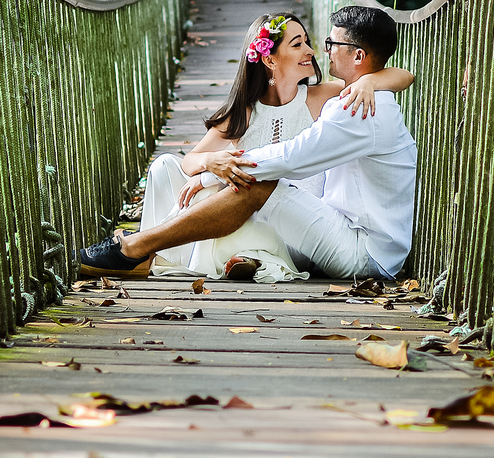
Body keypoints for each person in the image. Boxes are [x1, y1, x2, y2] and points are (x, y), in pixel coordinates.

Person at [80, 6, 417, 284]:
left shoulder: (360, 109)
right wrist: (210, 165)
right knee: (253, 181)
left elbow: (293, 157)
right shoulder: (355, 99)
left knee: (263, 182)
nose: (321, 50)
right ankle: (149, 248)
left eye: (331, 42)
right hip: (345, 231)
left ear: (357, 55)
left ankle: (137, 247)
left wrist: (211, 176)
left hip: (366, 253)